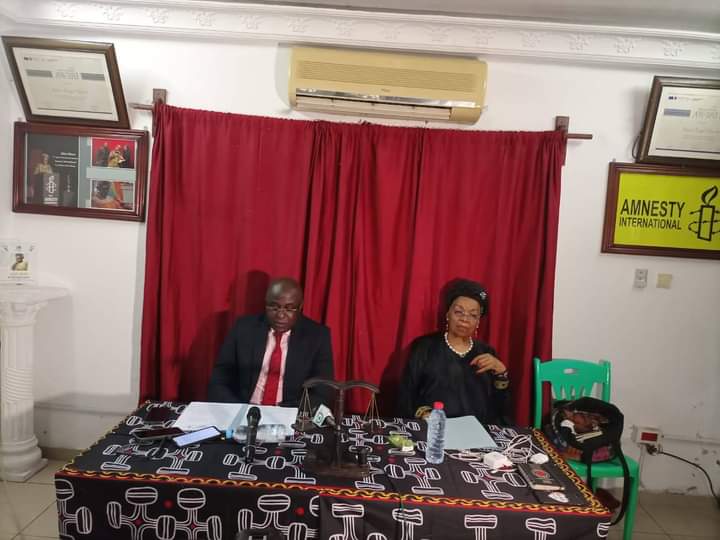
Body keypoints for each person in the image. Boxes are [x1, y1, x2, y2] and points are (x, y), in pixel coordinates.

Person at [397, 279, 511, 424]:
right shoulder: (424, 347)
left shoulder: (487, 352)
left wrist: (501, 372)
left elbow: (501, 409)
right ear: (448, 314)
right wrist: (424, 414)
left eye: (473, 315)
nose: (464, 319)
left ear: (478, 322)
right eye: (459, 312)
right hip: (434, 429)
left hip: (476, 431)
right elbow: (406, 395)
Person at [208, 278, 334, 407]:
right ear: (266, 304)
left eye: (289, 309)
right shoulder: (243, 328)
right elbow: (219, 378)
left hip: (291, 412)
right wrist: (237, 408)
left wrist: (289, 413)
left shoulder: (317, 336)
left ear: (300, 306)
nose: (280, 315)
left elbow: (323, 389)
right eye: (274, 307)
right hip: (244, 409)